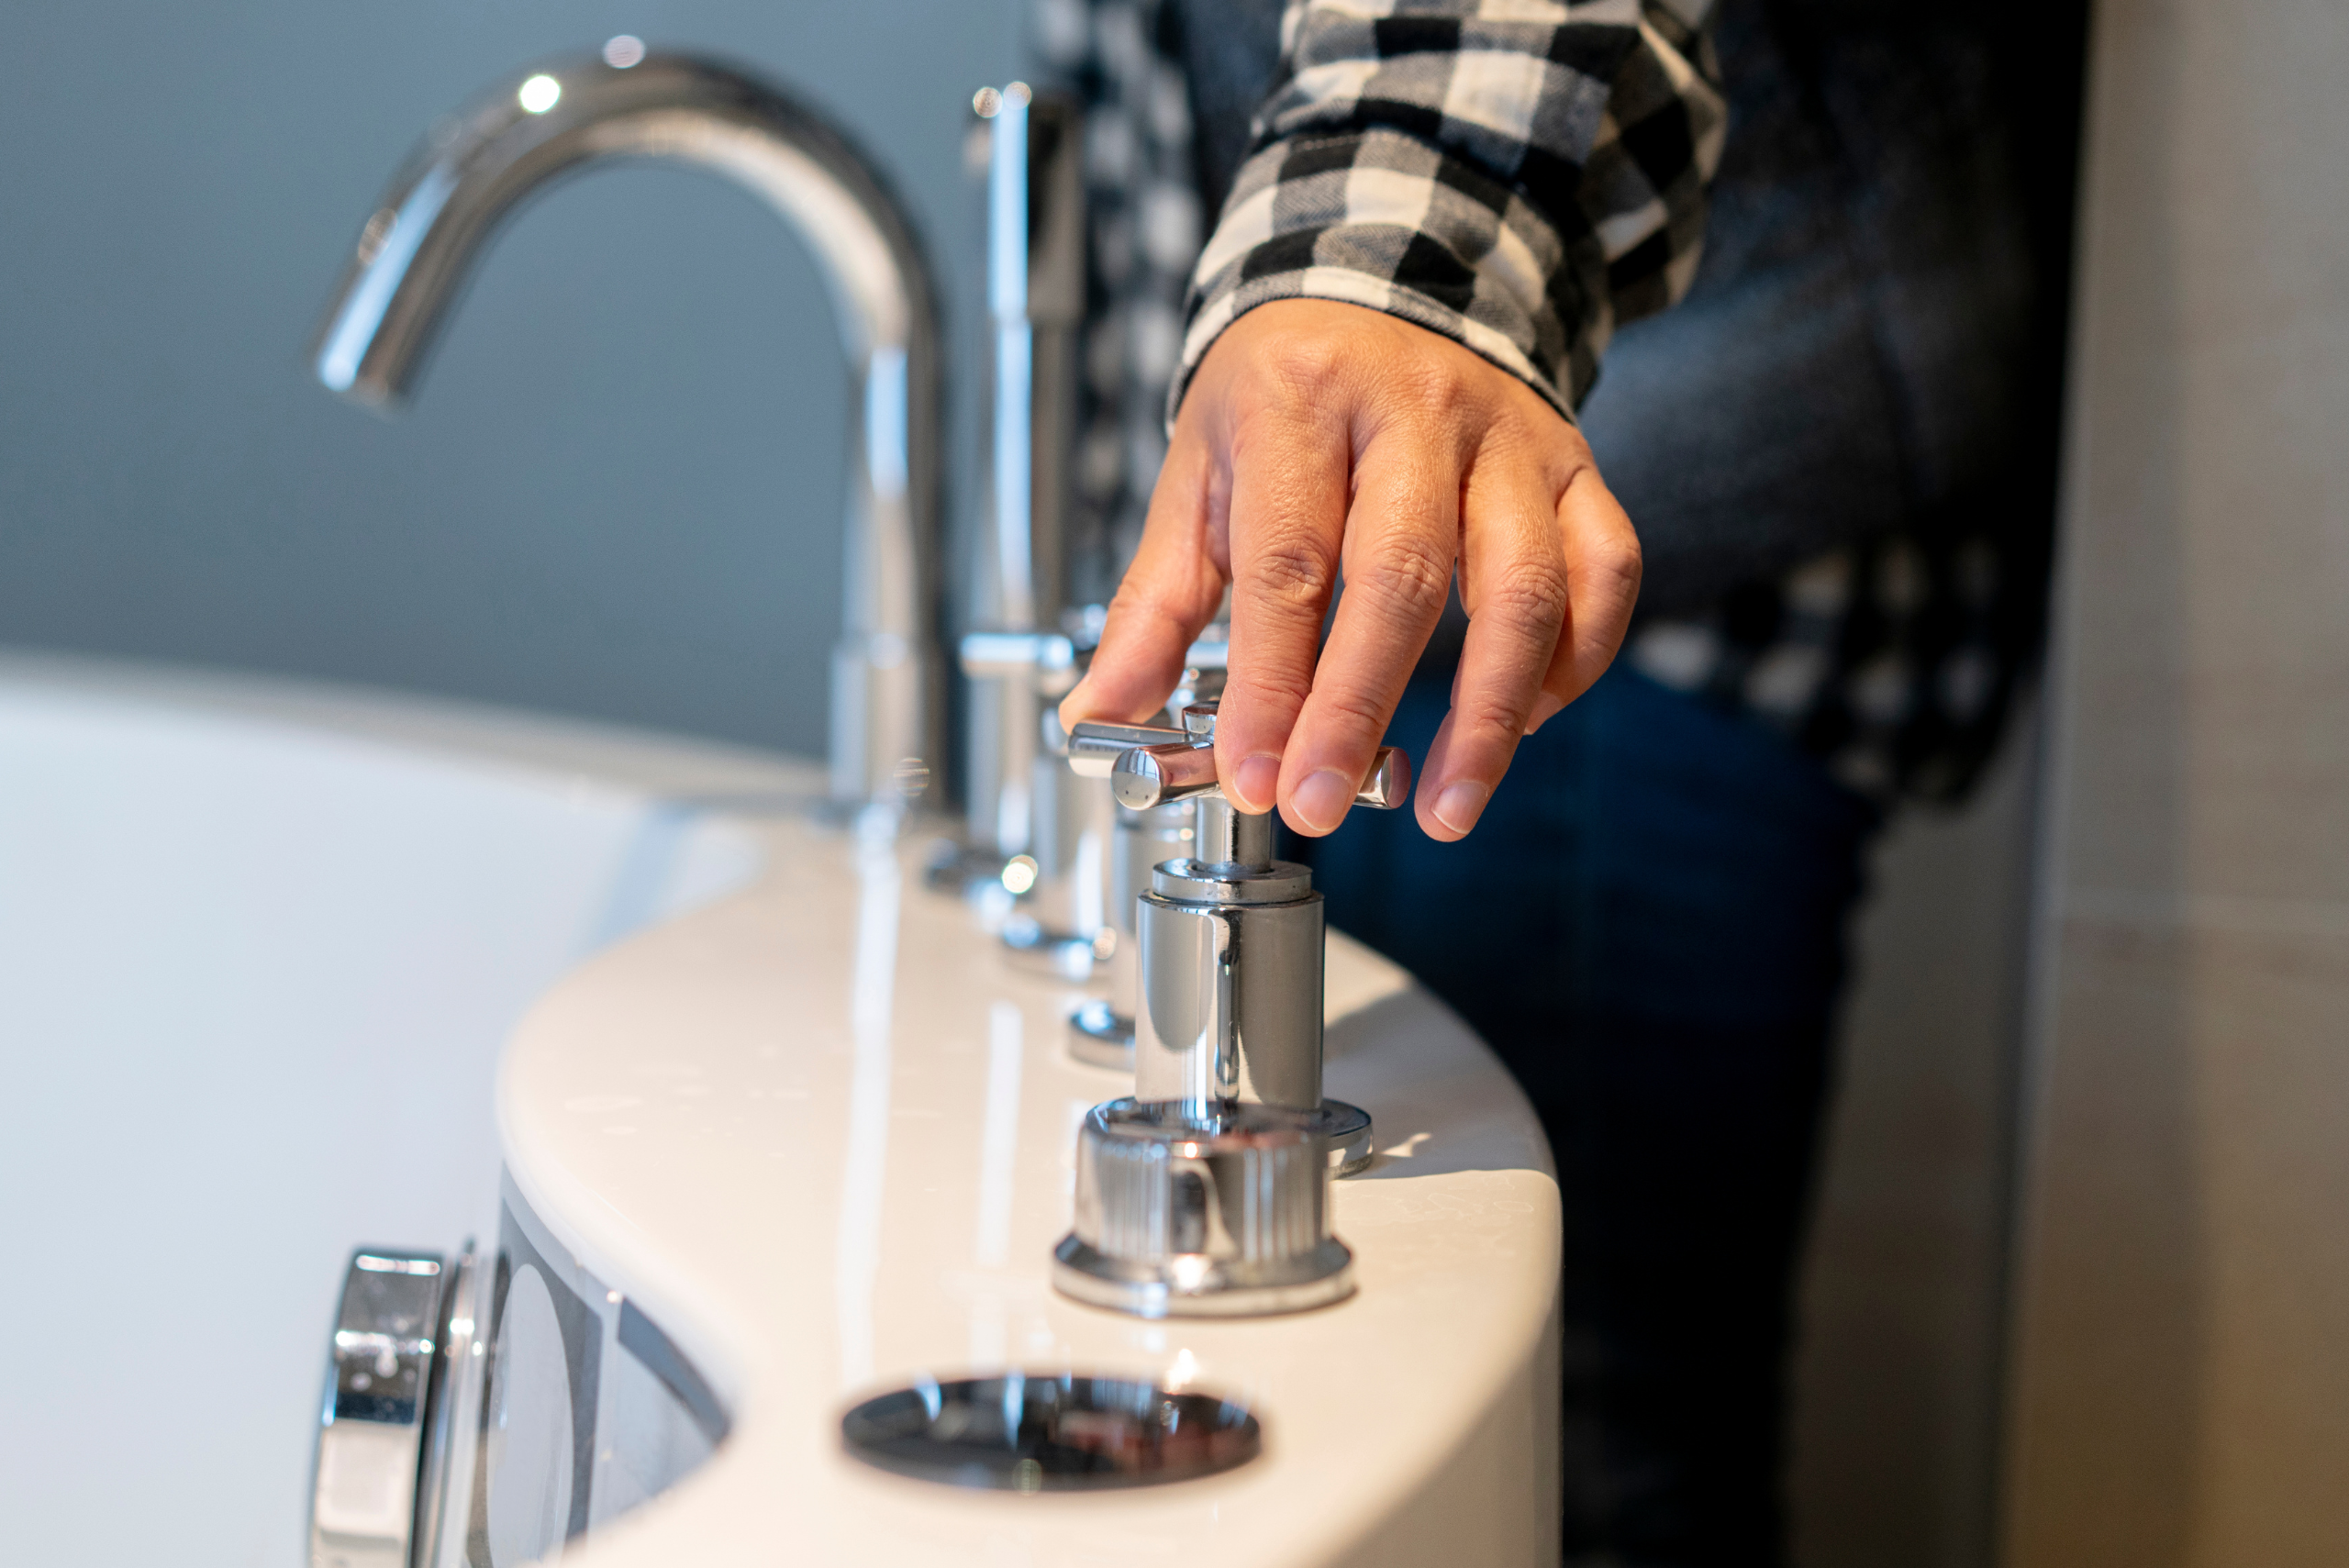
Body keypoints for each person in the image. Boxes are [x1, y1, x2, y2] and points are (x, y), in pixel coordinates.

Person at [1041, 2, 2084, 1561]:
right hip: (1400, 553)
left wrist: (1378, 266)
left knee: (1582, 1459)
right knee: (1454, 1435)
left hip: (1640, 565)